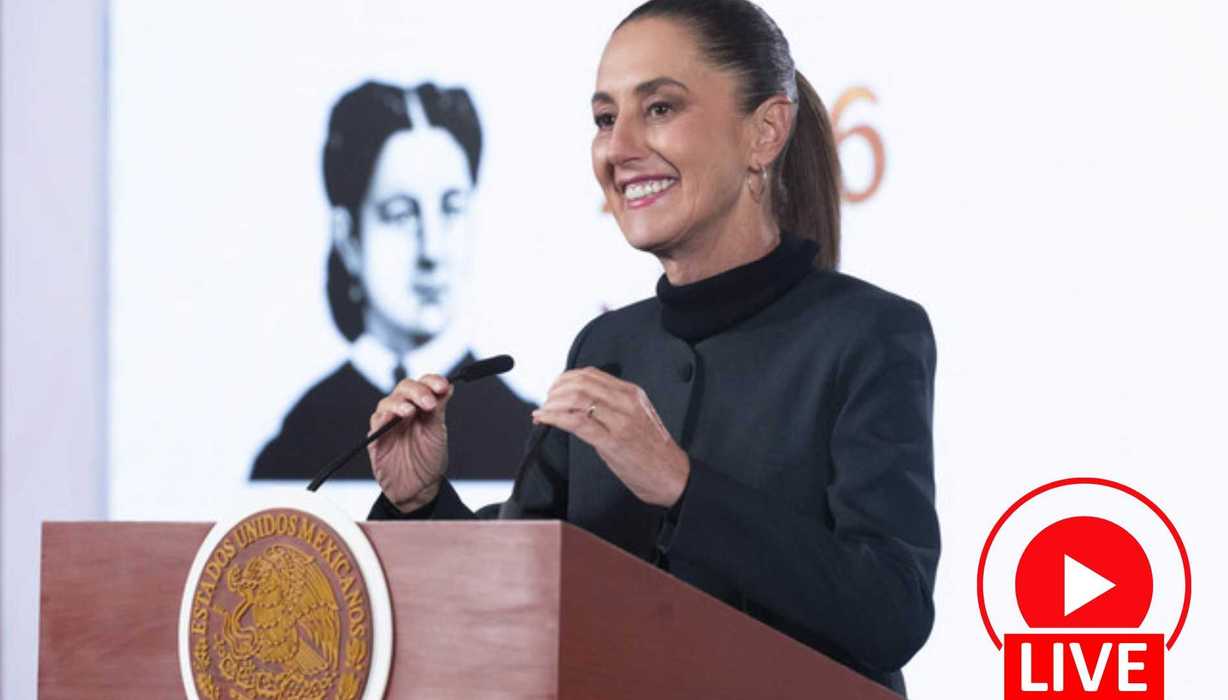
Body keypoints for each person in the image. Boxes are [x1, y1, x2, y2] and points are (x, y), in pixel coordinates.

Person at [366, 1, 938, 694]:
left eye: (659, 108)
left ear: (764, 132)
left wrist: (680, 484)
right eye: (605, 119)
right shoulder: (606, 345)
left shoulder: (865, 333)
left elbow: (889, 610)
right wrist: (419, 502)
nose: (618, 146)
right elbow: (522, 584)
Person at [251, 80, 534, 481]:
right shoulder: (300, 441)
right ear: (348, 236)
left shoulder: (522, 430)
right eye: (402, 214)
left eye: (452, 209)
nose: (432, 251)